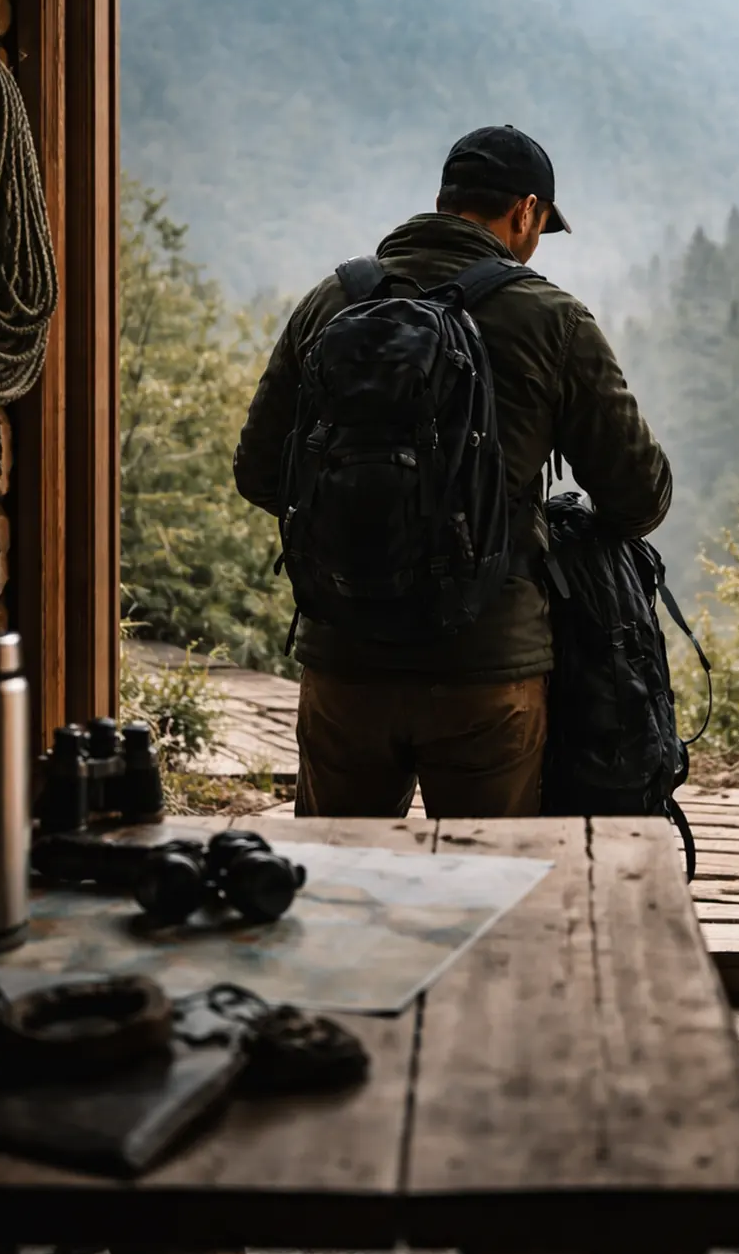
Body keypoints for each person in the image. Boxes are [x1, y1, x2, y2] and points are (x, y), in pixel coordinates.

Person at [233, 125, 672, 819]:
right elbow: (640, 496)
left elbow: (259, 473)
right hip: (488, 669)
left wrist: (361, 535)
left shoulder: (331, 302)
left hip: (343, 663)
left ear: (444, 200)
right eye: (540, 227)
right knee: (488, 879)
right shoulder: (552, 319)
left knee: (339, 878)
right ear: (525, 212)